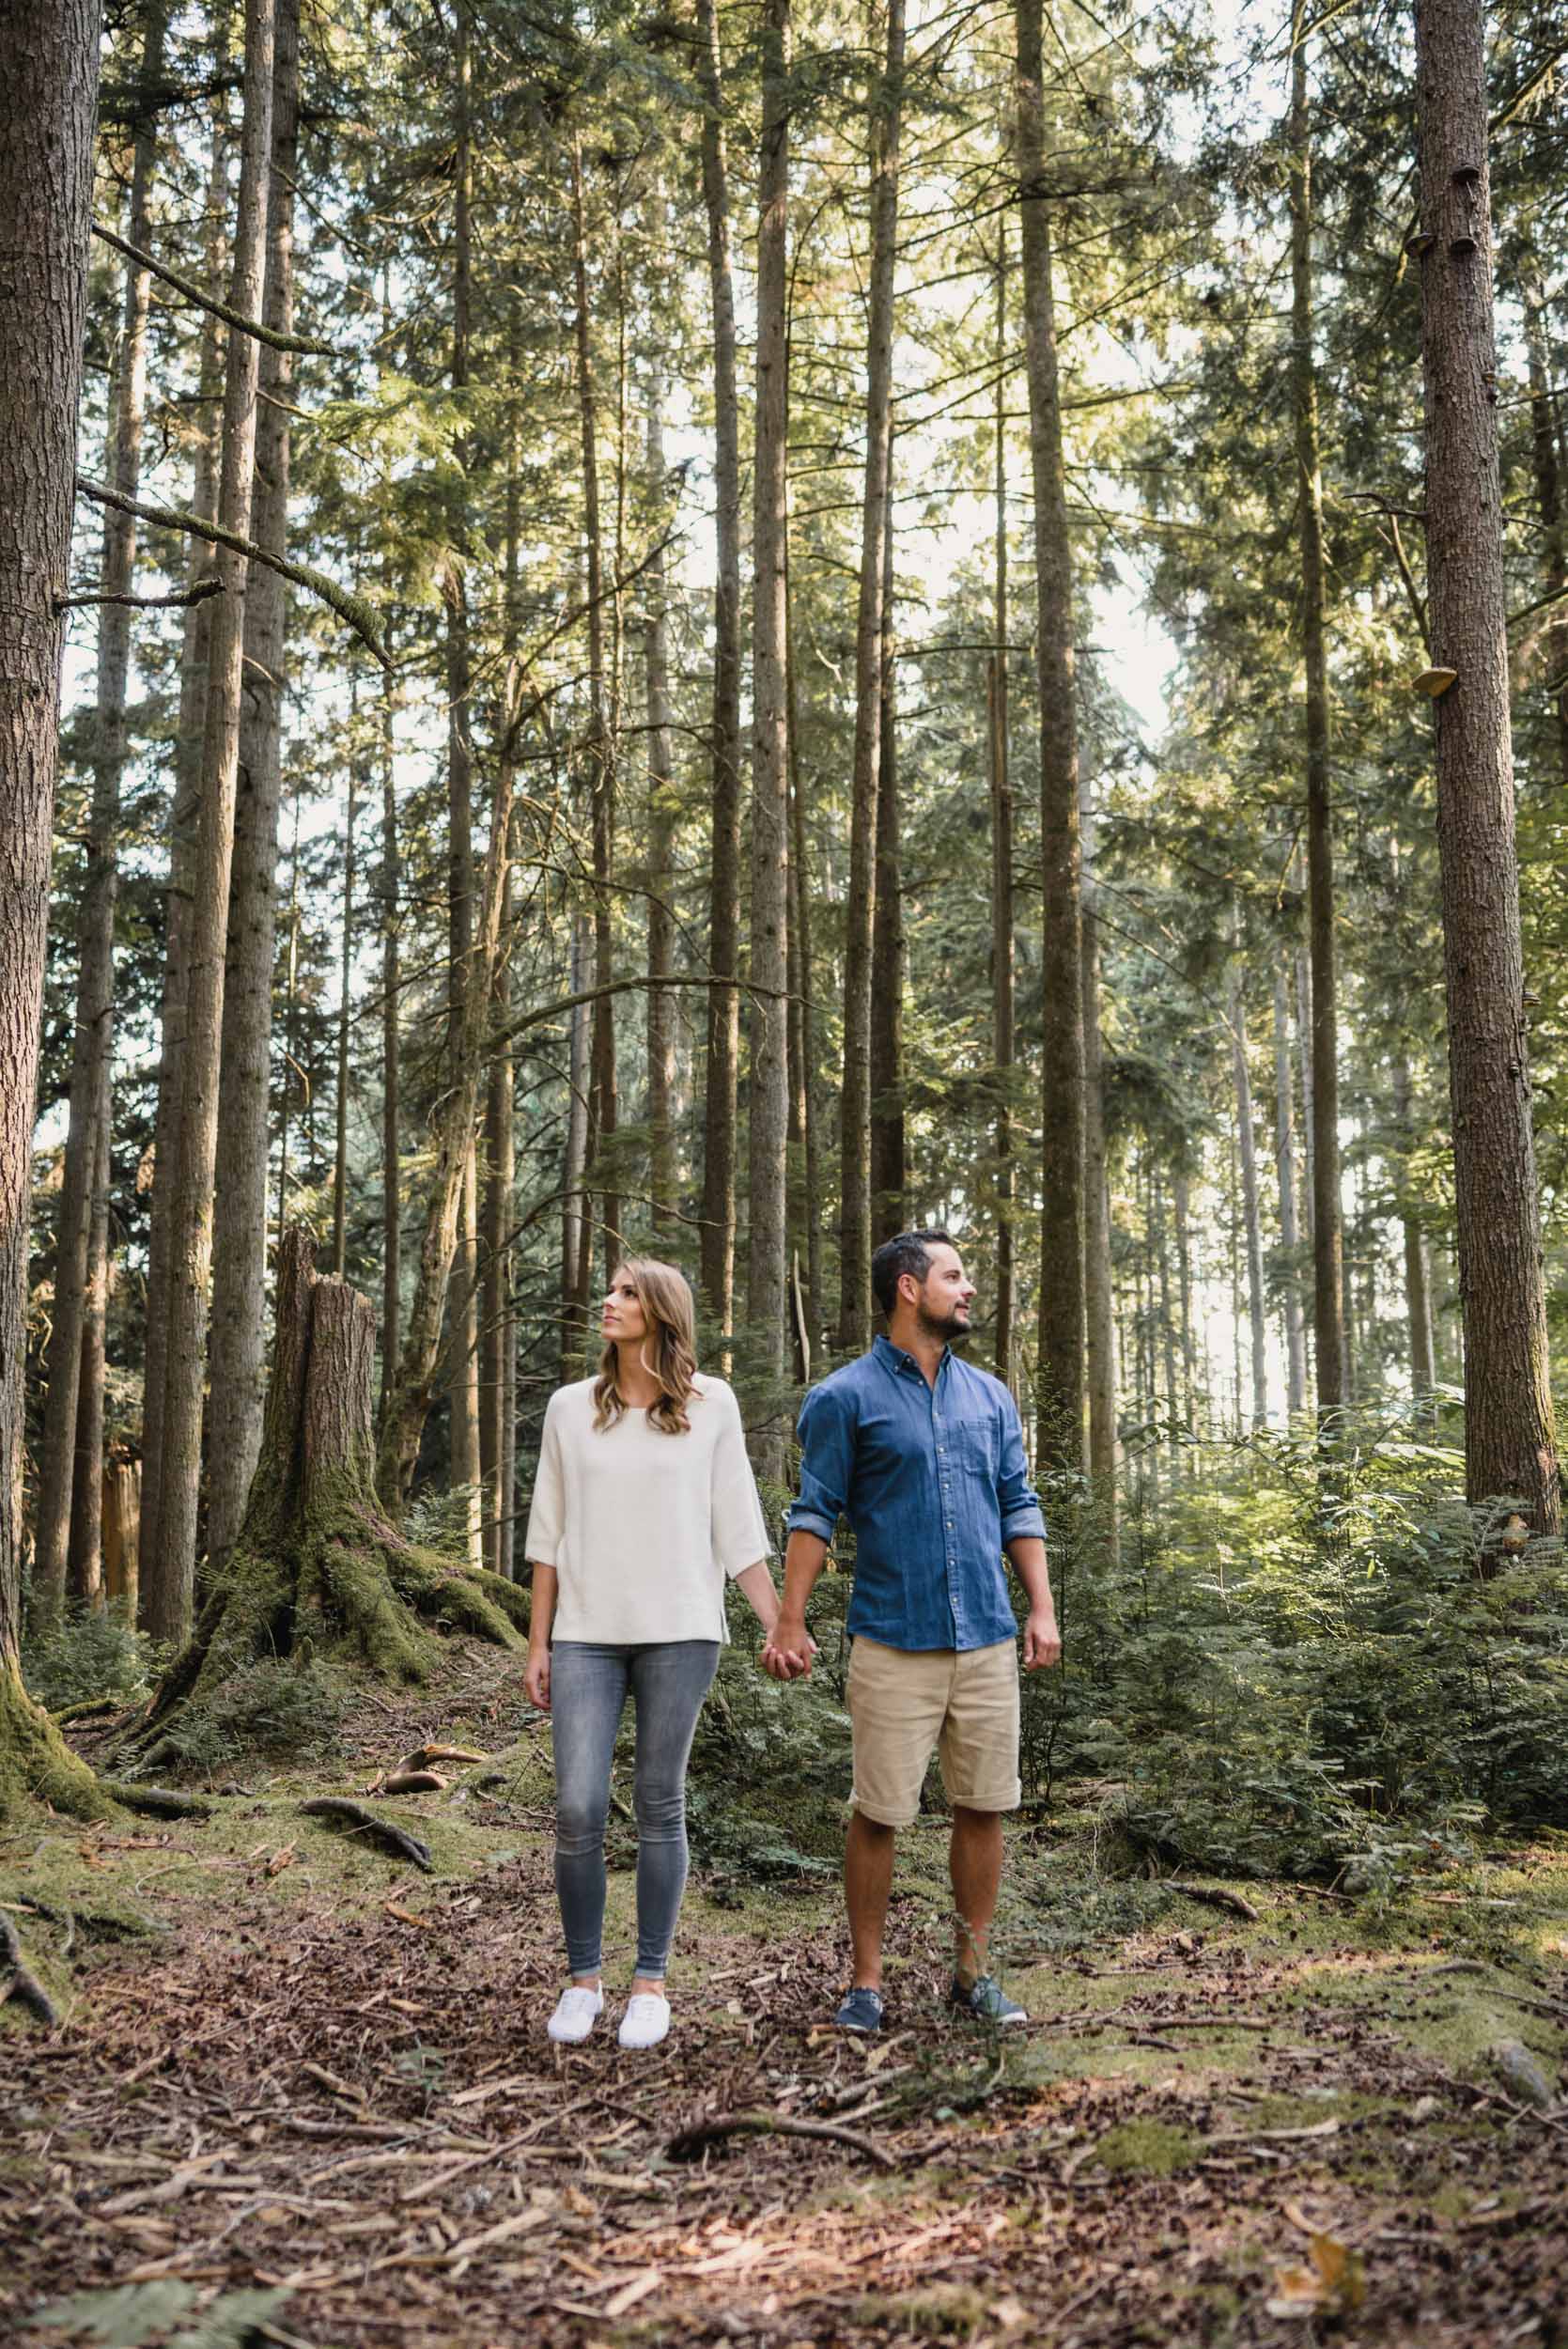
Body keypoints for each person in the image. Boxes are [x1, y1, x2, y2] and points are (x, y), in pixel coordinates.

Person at [763, 1230, 1061, 2032]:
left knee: (984, 1805)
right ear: (906, 1287)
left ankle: (972, 1975)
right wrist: (788, 1618)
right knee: (879, 1811)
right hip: (893, 1639)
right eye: (953, 1276)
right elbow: (814, 1512)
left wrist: (1040, 1607)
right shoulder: (844, 1397)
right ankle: (866, 1983)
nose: (968, 1289)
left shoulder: (990, 1396)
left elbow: (1017, 1503)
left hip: (988, 1640)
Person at [523, 1257, 782, 2050]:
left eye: (627, 1292)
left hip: (681, 1629)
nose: (609, 1301)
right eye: (611, 1289)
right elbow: (548, 1530)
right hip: (585, 1637)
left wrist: (777, 1622)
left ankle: (649, 1982)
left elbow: (736, 1522)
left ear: (663, 1311)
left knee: (661, 1804)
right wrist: (537, 1640)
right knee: (577, 1809)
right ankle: (581, 1980)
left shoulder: (712, 1406)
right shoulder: (571, 1408)